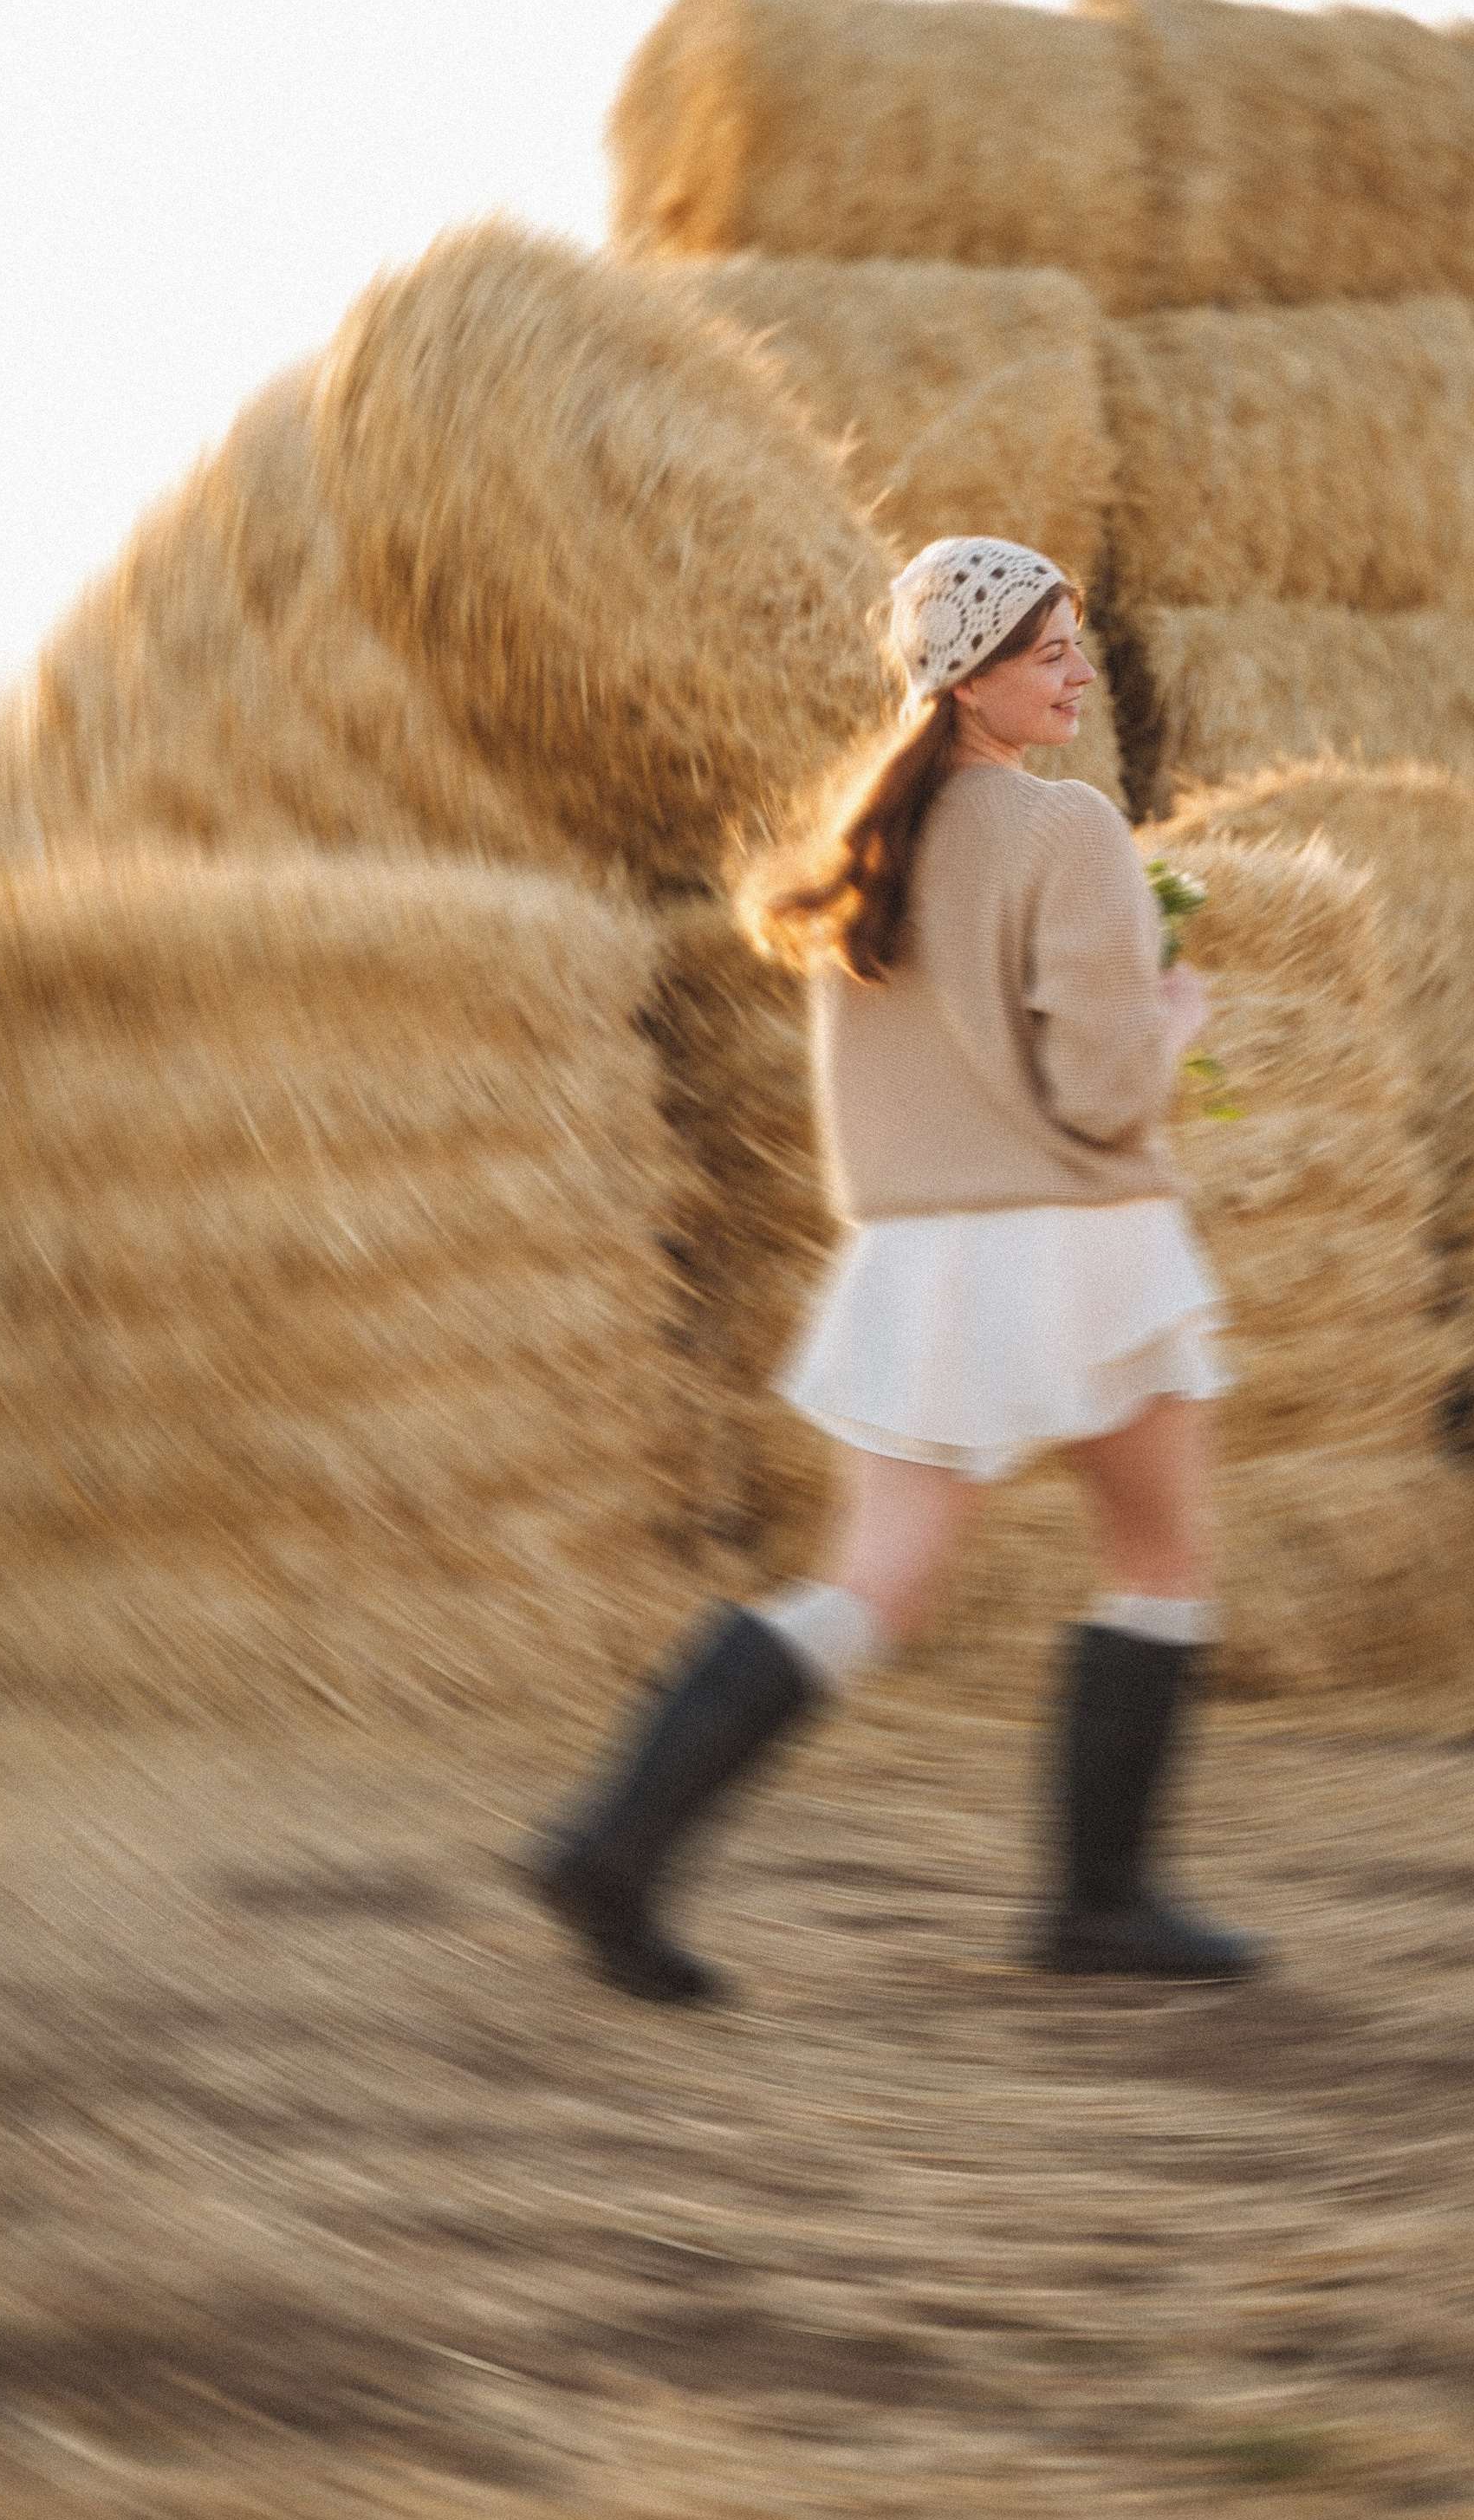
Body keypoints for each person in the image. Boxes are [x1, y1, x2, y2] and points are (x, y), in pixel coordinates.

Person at [531, 534, 1262, 2005]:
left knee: (874, 1586)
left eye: (1076, 642)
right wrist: (1172, 1023)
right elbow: (1104, 1091)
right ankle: (1099, 1904)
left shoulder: (870, 846)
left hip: (922, 1261)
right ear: (971, 678)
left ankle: (618, 1844)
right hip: (1078, 1244)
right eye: (1049, 650)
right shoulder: (1067, 829)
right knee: (1159, 1558)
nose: (1080, 671)